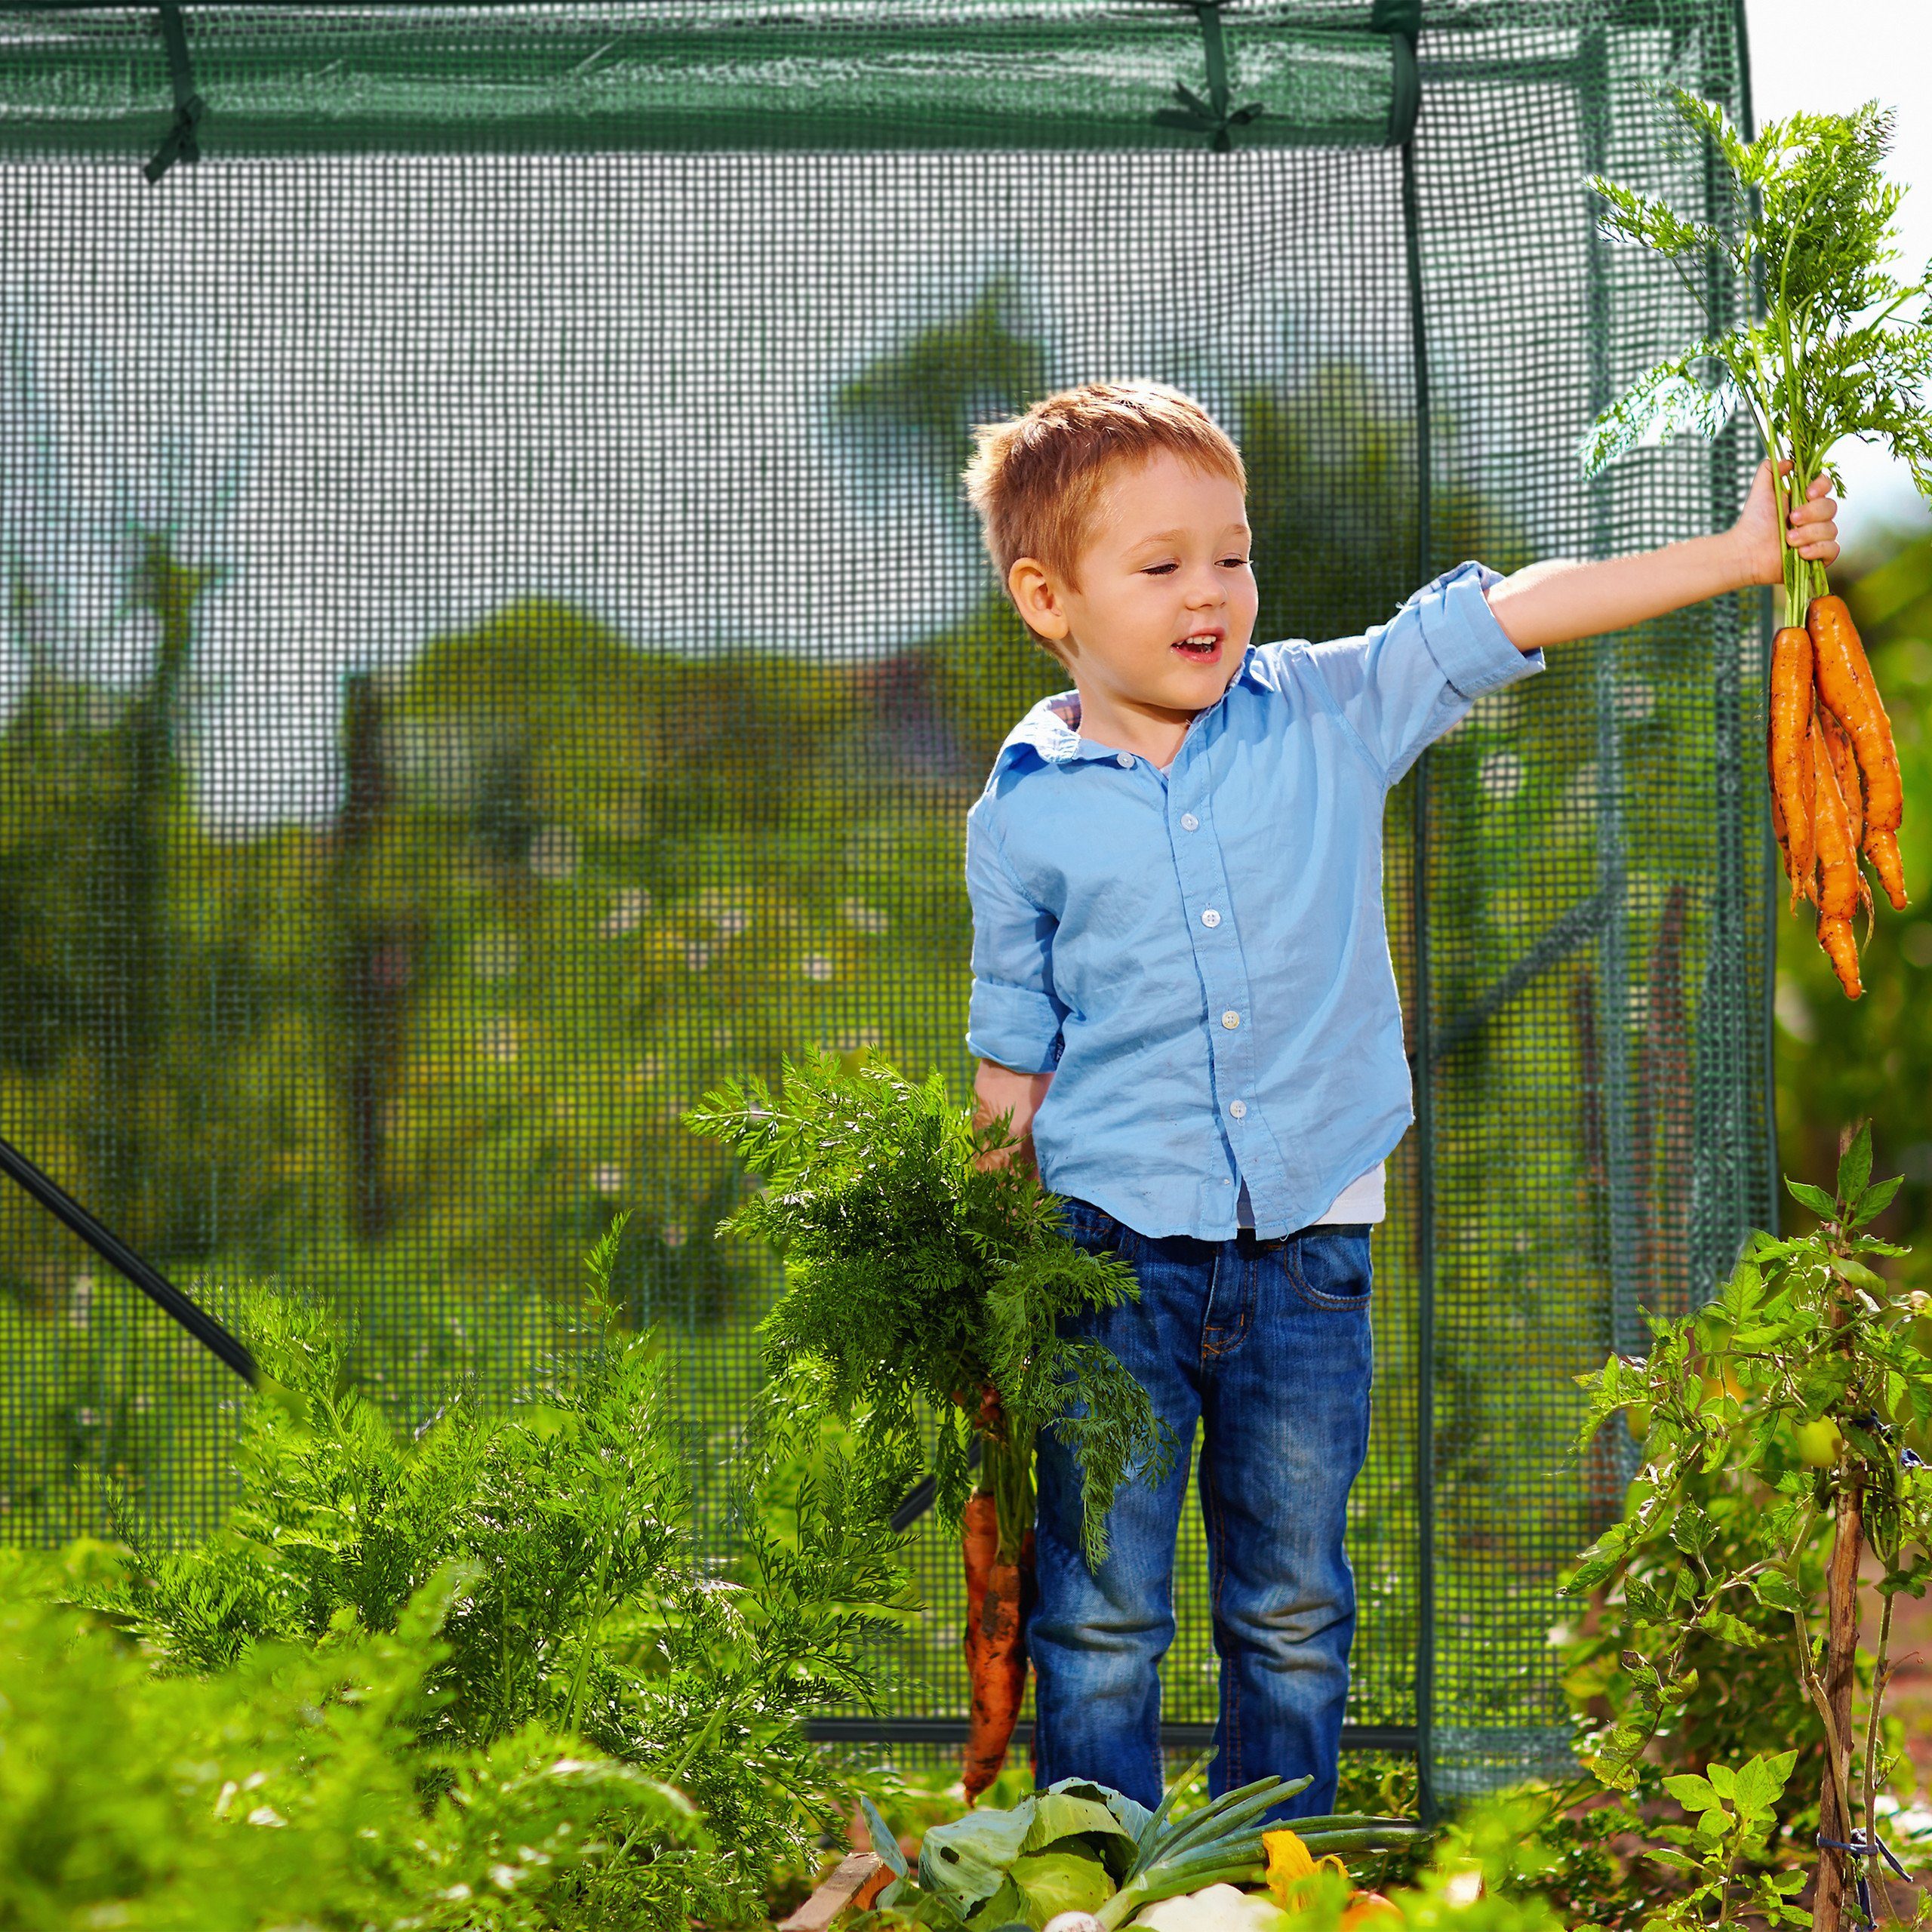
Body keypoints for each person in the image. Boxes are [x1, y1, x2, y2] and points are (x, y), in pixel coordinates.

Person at [958, 380, 1839, 1816]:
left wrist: (1738, 557)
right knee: (1098, 1618)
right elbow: (1014, 1050)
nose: (1213, 595)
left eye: (1233, 556)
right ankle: (1104, 1879)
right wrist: (980, 1273)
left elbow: (1509, 613)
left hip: (1309, 1253)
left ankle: (1266, 1879)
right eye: (1163, 565)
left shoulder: (1325, 708)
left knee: (1293, 1605)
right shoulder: (1021, 810)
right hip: (1105, 1257)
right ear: (1048, 596)